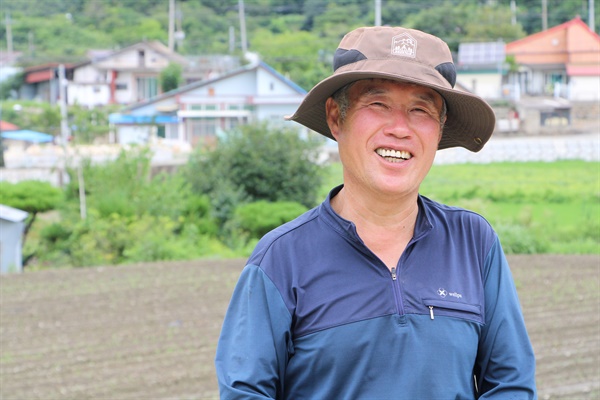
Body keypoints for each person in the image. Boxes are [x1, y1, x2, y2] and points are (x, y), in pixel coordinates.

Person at [215, 26, 537, 399]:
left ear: (439, 129)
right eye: (377, 105)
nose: (399, 129)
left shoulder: (472, 242)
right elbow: (246, 393)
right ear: (337, 118)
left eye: (421, 109)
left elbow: (510, 385)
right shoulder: (281, 259)